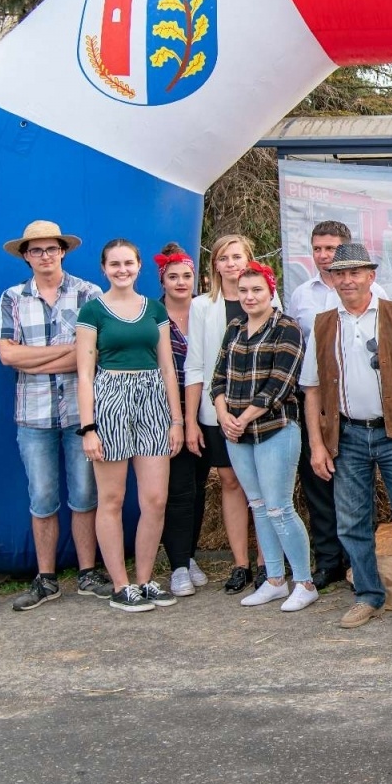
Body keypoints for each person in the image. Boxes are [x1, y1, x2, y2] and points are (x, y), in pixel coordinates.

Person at [301, 243, 392, 632]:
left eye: (355, 273)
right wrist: (317, 445)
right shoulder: (323, 324)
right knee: (351, 522)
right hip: (346, 435)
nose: (347, 280)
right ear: (332, 280)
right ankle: (367, 595)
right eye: (340, 274)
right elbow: (312, 390)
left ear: (371, 276)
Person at [0, 219, 109, 609]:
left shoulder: (88, 293)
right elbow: (7, 355)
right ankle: (46, 579)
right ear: (26, 257)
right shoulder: (13, 297)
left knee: (85, 495)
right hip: (34, 414)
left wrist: (33, 358)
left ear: (62, 252)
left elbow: (95, 352)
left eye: (51, 249)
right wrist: (70, 352)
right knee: (42, 497)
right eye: (36, 250)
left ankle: (87, 573)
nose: (44, 256)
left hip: (82, 414)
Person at [75, 239, 184, 612]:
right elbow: (85, 373)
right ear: (104, 269)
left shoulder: (154, 309)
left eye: (128, 263)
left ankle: (145, 579)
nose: (122, 270)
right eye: (115, 264)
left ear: (139, 267)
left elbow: (167, 367)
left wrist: (176, 420)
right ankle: (121, 585)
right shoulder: (93, 310)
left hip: (152, 398)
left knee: (154, 499)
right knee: (112, 498)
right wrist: (89, 427)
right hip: (110, 399)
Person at [211, 263, 315, 611]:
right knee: (257, 505)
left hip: (275, 428)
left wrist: (242, 418)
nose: (249, 297)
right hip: (237, 432)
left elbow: (280, 385)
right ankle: (274, 580)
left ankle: (304, 582)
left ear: (271, 292)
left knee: (279, 507)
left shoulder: (287, 328)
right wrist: (224, 415)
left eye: (256, 290)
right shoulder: (235, 328)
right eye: (243, 291)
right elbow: (218, 378)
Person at [287, 219, 379, 589]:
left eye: (331, 249)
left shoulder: (375, 292)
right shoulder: (301, 296)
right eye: (318, 249)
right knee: (319, 479)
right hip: (317, 396)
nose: (324, 256)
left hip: (357, 399)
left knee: (358, 485)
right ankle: (328, 561)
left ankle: (360, 563)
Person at [185, 233, 266, 593]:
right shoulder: (202, 306)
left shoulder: (266, 297)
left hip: (260, 410)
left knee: (261, 486)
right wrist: (191, 419)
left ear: (249, 260)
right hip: (217, 410)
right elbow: (195, 365)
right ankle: (240, 563)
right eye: (224, 258)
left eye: (237, 257)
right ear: (215, 265)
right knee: (231, 482)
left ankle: (266, 561)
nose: (231, 264)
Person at [156, 244, 213, 597]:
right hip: (165, 412)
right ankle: (177, 565)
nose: (181, 282)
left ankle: (189, 556)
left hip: (205, 409)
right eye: (173, 276)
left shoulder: (205, 310)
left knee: (197, 485)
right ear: (162, 280)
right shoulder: (152, 314)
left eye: (186, 276)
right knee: (177, 489)